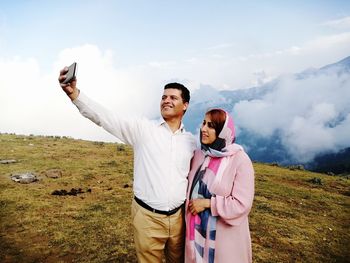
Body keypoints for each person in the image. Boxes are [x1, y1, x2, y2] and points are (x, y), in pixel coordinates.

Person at [58, 66, 196, 263]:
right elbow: (105, 118)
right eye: (164, 97)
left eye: (173, 98)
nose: (166, 100)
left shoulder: (191, 142)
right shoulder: (143, 130)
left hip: (179, 219)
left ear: (185, 105)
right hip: (147, 218)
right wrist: (75, 95)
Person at [185, 108, 254, 263]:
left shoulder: (240, 160)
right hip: (194, 234)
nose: (203, 129)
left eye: (211, 126)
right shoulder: (199, 155)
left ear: (223, 131)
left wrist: (209, 203)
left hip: (223, 240)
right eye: (203, 123)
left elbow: (242, 204)